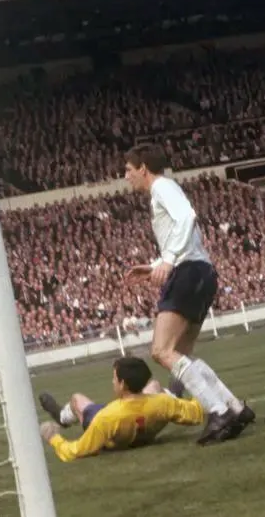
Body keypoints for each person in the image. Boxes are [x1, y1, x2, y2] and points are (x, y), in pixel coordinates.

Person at [123, 143, 253, 444]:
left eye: (129, 170)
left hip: (189, 271)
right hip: (199, 270)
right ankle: (235, 407)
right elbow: (185, 236)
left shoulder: (163, 187)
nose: (126, 176)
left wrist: (167, 261)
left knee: (161, 351)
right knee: (180, 353)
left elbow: (187, 217)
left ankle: (218, 411)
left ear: (143, 168)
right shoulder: (164, 190)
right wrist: (157, 263)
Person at [37, 356, 204, 461]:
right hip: (146, 416)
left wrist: (53, 437)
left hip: (114, 429)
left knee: (77, 399)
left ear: (123, 384)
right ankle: (175, 394)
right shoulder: (163, 403)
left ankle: (62, 417)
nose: (112, 381)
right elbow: (197, 412)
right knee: (155, 386)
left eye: (114, 378)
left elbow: (76, 450)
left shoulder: (106, 418)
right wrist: (199, 384)